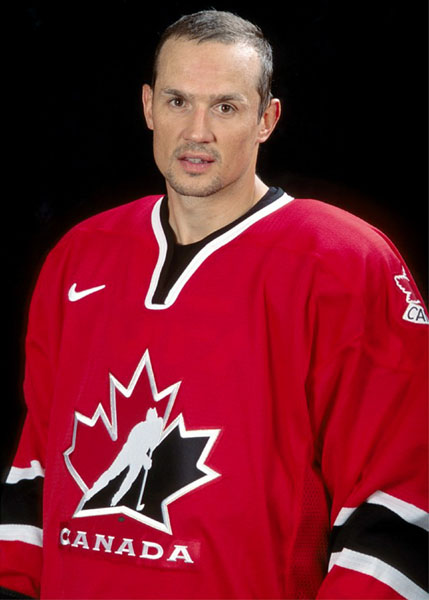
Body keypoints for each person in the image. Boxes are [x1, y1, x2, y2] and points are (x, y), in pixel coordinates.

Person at [0, 9, 427, 600]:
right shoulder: (80, 255)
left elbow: (401, 498)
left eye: (225, 107)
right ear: (148, 107)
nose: (196, 130)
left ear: (266, 119)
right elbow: (36, 466)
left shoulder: (344, 261)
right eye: (178, 102)